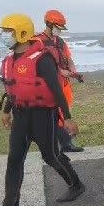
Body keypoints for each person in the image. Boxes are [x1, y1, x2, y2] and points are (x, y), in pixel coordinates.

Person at [0, 14, 85, 206]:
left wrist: (67, 118)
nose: (5, 36)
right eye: (4, 32)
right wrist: (6, 111)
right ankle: (10, 205)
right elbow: (13, 88)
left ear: (22, 33)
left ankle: (76, 185)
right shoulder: (9, 60)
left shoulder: (42, 59)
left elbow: (56, 90)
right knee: (14, 159)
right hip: (21, 116)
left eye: (9, 32)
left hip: (43, 115)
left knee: (51, 156)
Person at [36, 9, 84, 153]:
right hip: (49, 85)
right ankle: (62, 144)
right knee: (53, 115)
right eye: (58, 28)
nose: (60, 31)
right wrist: (61, 71)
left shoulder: (60, 41)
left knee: (64, 112)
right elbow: (39, 65)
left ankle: (64, 143)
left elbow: (69, 59)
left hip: (64, 84)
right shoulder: (38, 41)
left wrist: (74, 73)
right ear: (49, 24)